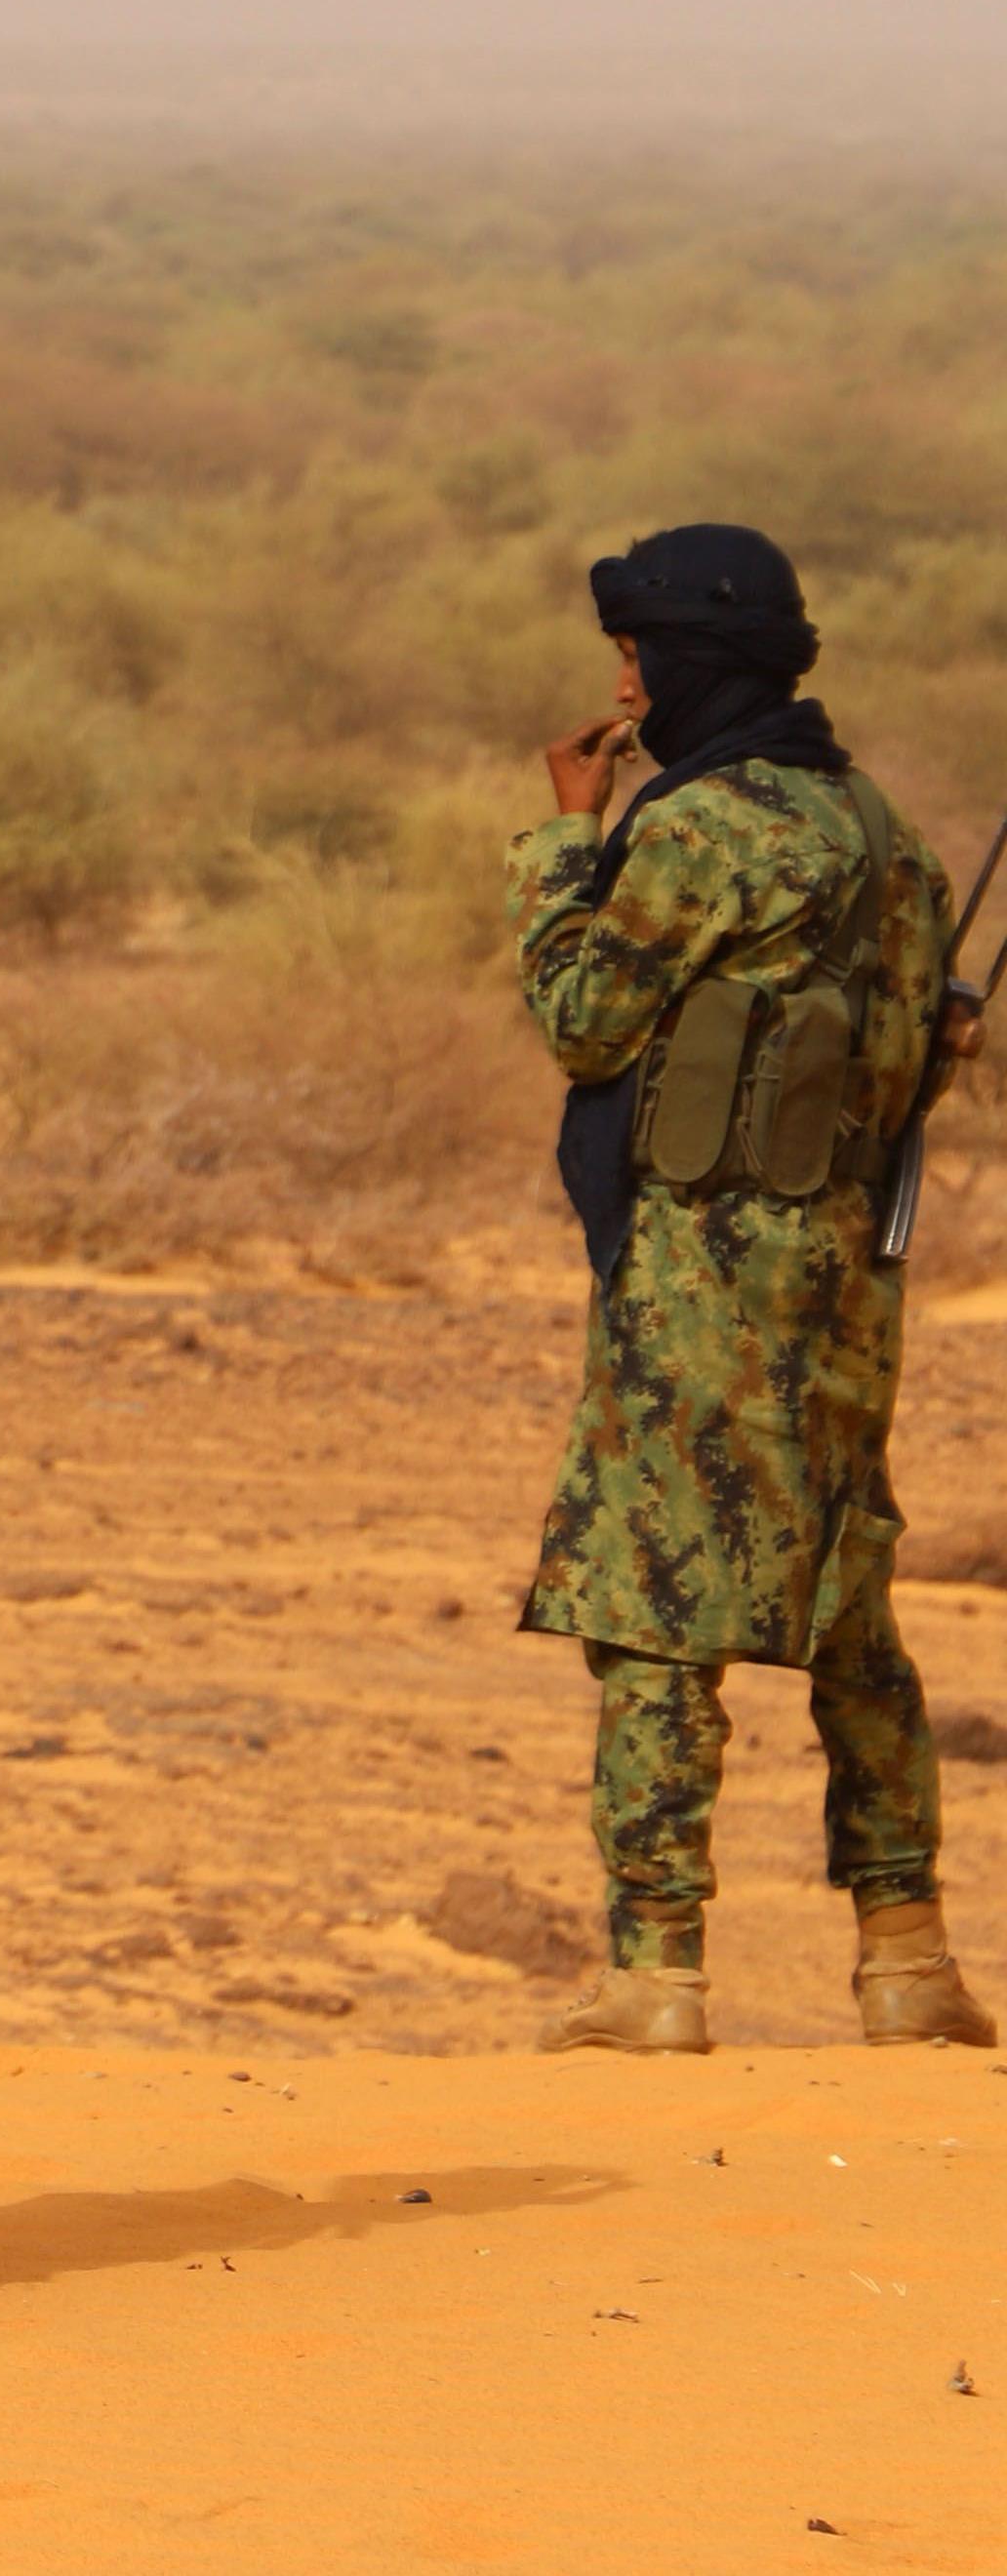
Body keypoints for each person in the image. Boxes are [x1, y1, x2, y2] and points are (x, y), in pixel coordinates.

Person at [511, 524, 992, 2054]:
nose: (622, 685)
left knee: (654, 1608)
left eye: (635, 659)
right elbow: (921, 1055)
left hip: (698, 1275)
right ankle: (905, 1957)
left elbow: (588, 1018)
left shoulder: (699, 831)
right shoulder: (883, 831)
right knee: (844, 1597)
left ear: (685, 666)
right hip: (849, 1283)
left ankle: (655, 1973)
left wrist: (567, 841)